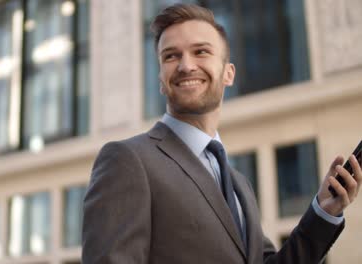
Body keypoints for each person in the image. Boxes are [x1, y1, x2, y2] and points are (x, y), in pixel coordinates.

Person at [82, 4, 361, 264]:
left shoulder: (238, 184)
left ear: (228, 74)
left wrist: (324, 211)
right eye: (171, 56)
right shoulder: (127, 160)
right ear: (161, 79)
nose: (186, 65)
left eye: (201, 51)